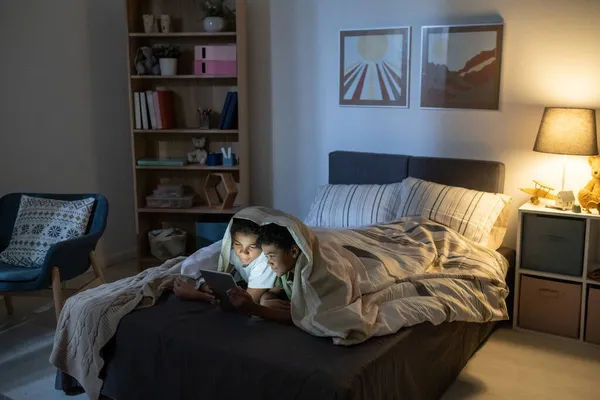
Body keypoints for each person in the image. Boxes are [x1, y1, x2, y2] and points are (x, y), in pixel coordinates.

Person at [173, 218, 276, 304]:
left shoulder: (265, 261)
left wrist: (195, 295)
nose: (243, 252)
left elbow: (245, 304)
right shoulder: (232, 250)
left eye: (252, 246)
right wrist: (204, 286)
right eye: (237, 244)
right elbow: (224, 273)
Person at [227, 223, 300, 324]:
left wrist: (254, 308)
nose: (269, 262)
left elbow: (302, 317)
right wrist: (266, 299)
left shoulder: (308, 276)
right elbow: (273, 291)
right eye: (266, 256)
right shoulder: (284, 272)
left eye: (272, 256)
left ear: (293, 251)